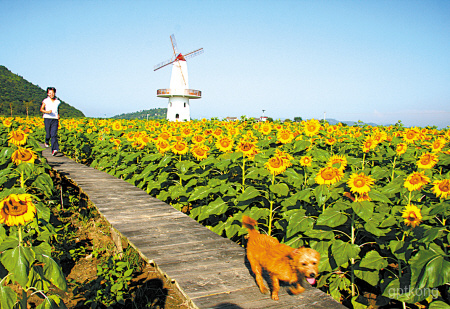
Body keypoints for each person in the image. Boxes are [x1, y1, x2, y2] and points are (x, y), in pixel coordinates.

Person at [40, 87, 61, 156]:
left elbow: (57, 110)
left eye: (52, 93)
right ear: (47, 93)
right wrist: (47, 112)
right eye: (49, 93)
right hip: (47, 118)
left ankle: (54, 149)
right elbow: (41, 109)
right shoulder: (46, 100)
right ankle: (46, 141)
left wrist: (58, 115)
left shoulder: (57, 101)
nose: (51, 94)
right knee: (48, 134)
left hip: (55, 119)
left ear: (55, 93)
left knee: (54, 134)